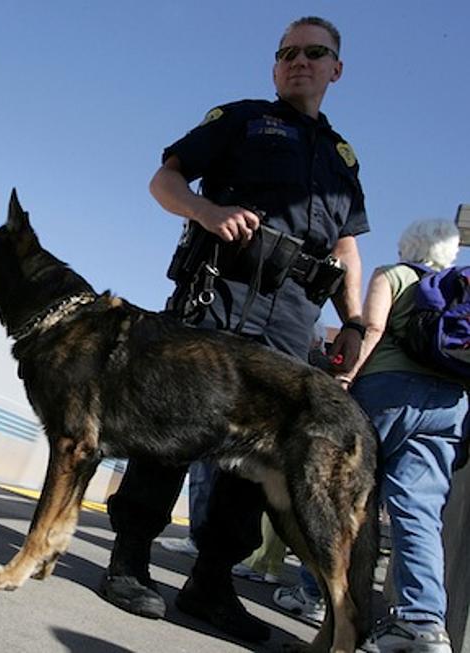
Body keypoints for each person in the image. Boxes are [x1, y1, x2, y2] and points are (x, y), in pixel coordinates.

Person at [100, 16, 368, 644]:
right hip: (219, 298)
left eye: (313, 52)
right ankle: (130, 557)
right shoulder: (242, 119)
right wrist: (206, 210)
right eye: (286, 53)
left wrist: (353, 321)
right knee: (171, 428)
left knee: (260, 460)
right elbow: (164, 180)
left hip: (291, 323)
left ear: (336, 68)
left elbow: (349, 247)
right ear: (276, 67)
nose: (298, 61)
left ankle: (210, 583)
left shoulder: (342, 159)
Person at [344, 219, 464, 652]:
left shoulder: (392, 275)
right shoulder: (457, 290)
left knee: (348, 496)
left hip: (386, 391)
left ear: (405, 243)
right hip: (449, 403)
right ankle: (423, 623)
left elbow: (373, 330)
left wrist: (345, 379)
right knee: (419, 512)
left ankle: (319, 597)